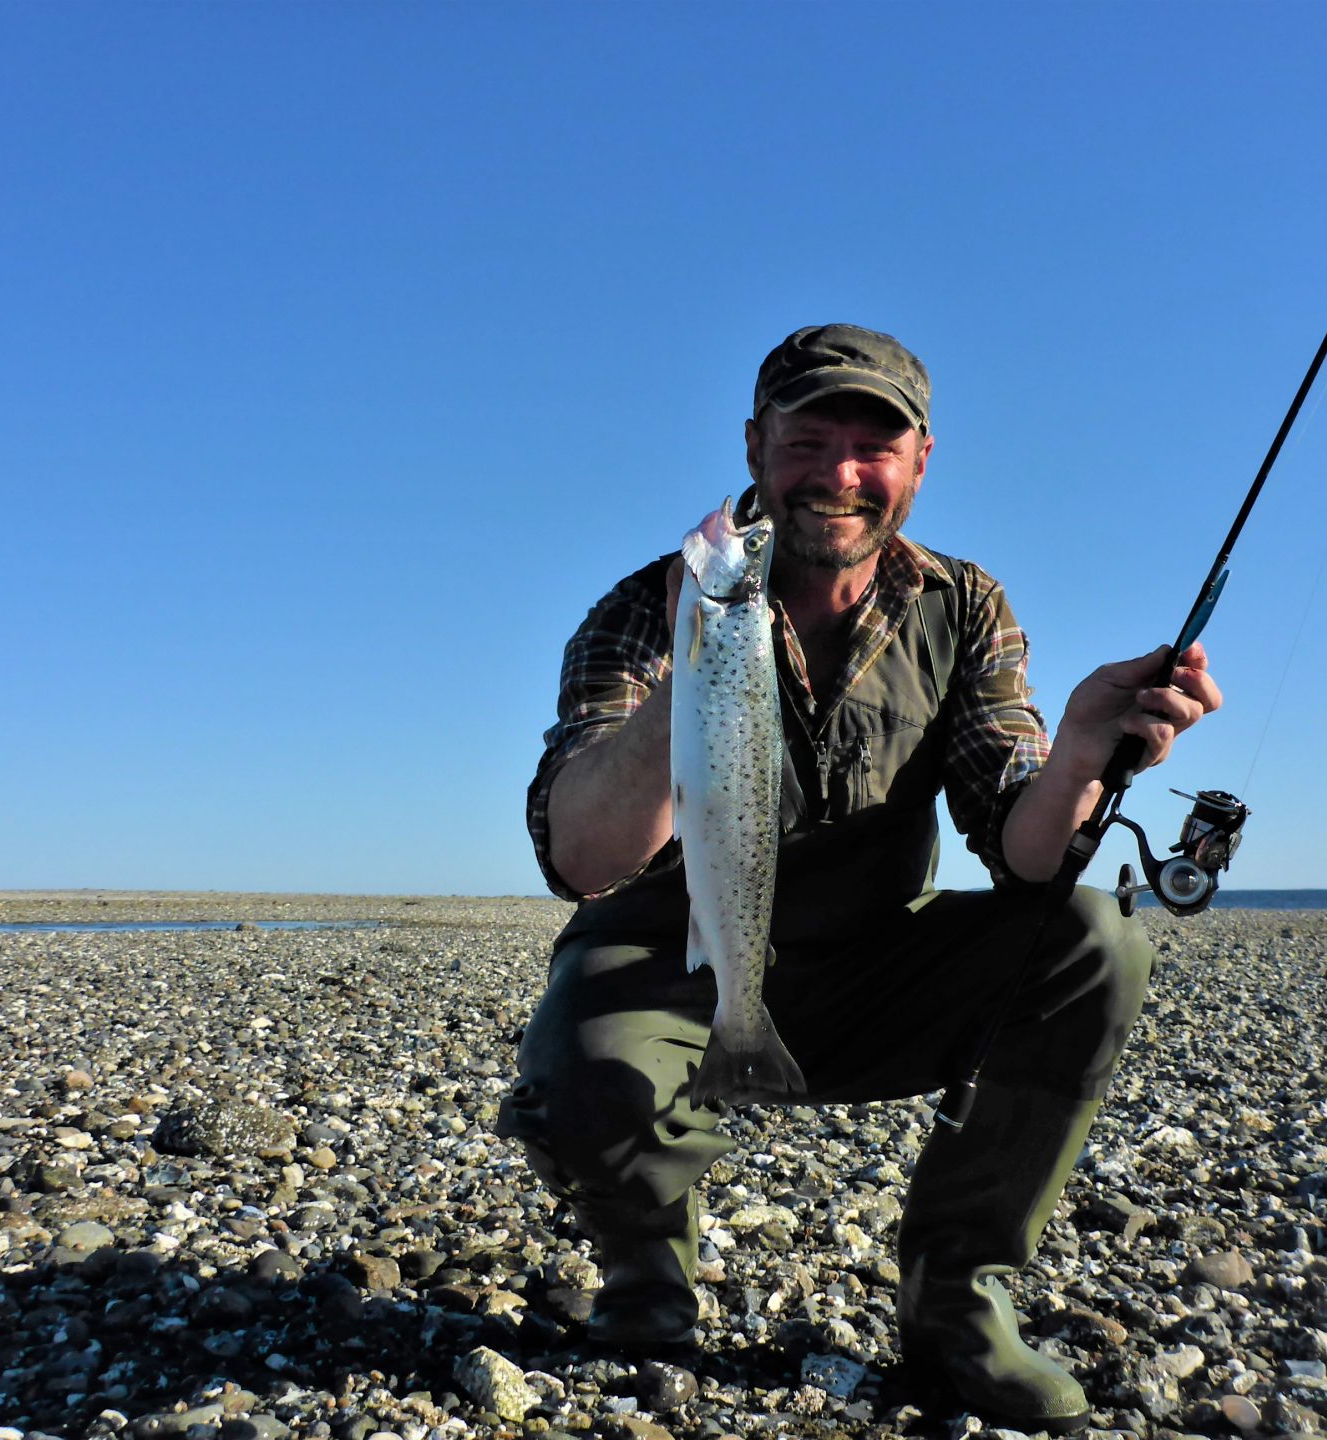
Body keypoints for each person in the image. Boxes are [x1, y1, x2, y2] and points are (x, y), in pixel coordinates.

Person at [497, 323, 1221, 1433]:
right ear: (754, 447)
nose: (838, 474)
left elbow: (1021, 850)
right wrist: (699, 659)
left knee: (1091, 935)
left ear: (920, 461)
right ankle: (645, 1276)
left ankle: (955, 1304)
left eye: (871, 448)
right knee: (588, 1071)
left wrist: (1079, 751)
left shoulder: (965, 606)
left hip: (867, 967)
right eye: (807, 439)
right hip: (673, 960)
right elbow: (584, 859)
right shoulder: (649, 607)